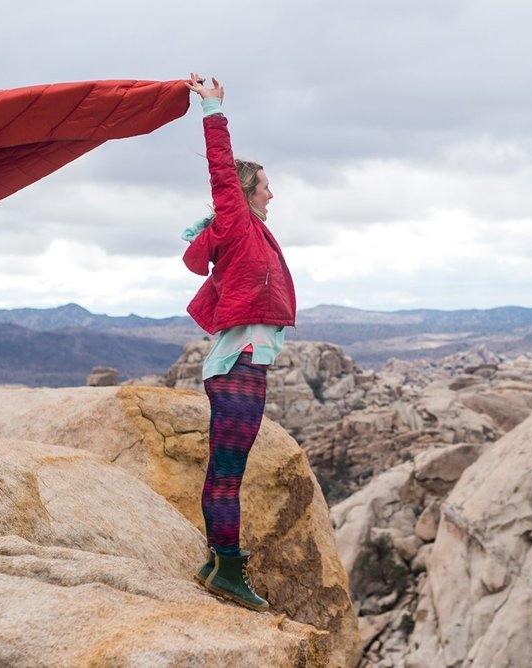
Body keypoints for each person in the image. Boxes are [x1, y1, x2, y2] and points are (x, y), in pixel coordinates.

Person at [181, 72, 296, 611]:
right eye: (266, 184)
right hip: (239, 369)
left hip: (242, 367)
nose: (273, 191)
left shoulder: (250, 230)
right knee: (228, 473)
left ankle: (216, 558)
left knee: (226, 470)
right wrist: (213, 109)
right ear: (246, 192)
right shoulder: (237, 218)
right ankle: (227, 568)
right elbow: (221, 169)